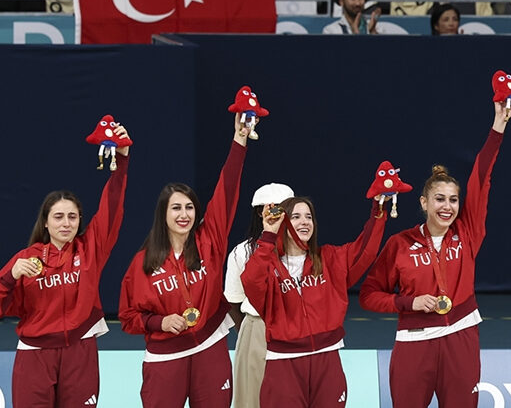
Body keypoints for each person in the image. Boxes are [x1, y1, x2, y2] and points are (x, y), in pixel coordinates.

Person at [359, 99, 511, 408]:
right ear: (423, 203)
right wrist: (409, 302)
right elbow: (368, 295)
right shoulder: (400, 244)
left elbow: (481, 178)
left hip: (461, 337)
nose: (447, 207)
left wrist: (498, 127)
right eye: (440, 199)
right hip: (414, 342)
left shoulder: (467, 233)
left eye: (453, 200)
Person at [118, 113, 252, 407]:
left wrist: (239, 141)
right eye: (176, 208)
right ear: (163, 215)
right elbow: (128, 318)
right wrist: (159, 322)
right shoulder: (143, 263)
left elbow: (227, 191)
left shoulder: (209, 240)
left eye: (189, 207)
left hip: (210, 346)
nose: (184, 214)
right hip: (165, 358)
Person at [0, 123, 130, 407]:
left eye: (72, 217)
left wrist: (121, 160)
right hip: (35, 356)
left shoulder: (90, 249)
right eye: (58, 217)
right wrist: (11, 276)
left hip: (80, 353)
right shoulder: (26, 258)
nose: (66, 223)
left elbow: (112, 206)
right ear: (45, 221)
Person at [241, 192, 388, 408]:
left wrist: (379, 208)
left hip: (327, 361)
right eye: (296, 217)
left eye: (309, 217)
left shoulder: (329, 259)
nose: (304, 222)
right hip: (283, 364)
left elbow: (365, 250)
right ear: (284, 222)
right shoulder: (269, 266)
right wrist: (268, 236)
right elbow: (251, 282)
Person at [224, 182, 295, 408]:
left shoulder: (307, 251)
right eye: (273, 208)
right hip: (256, 329)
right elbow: (233, 303)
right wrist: (252, 332)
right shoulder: (242, 252)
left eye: (286, 209)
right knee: (251, 399)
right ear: (259, 212)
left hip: (299, 331)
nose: (280, 215)